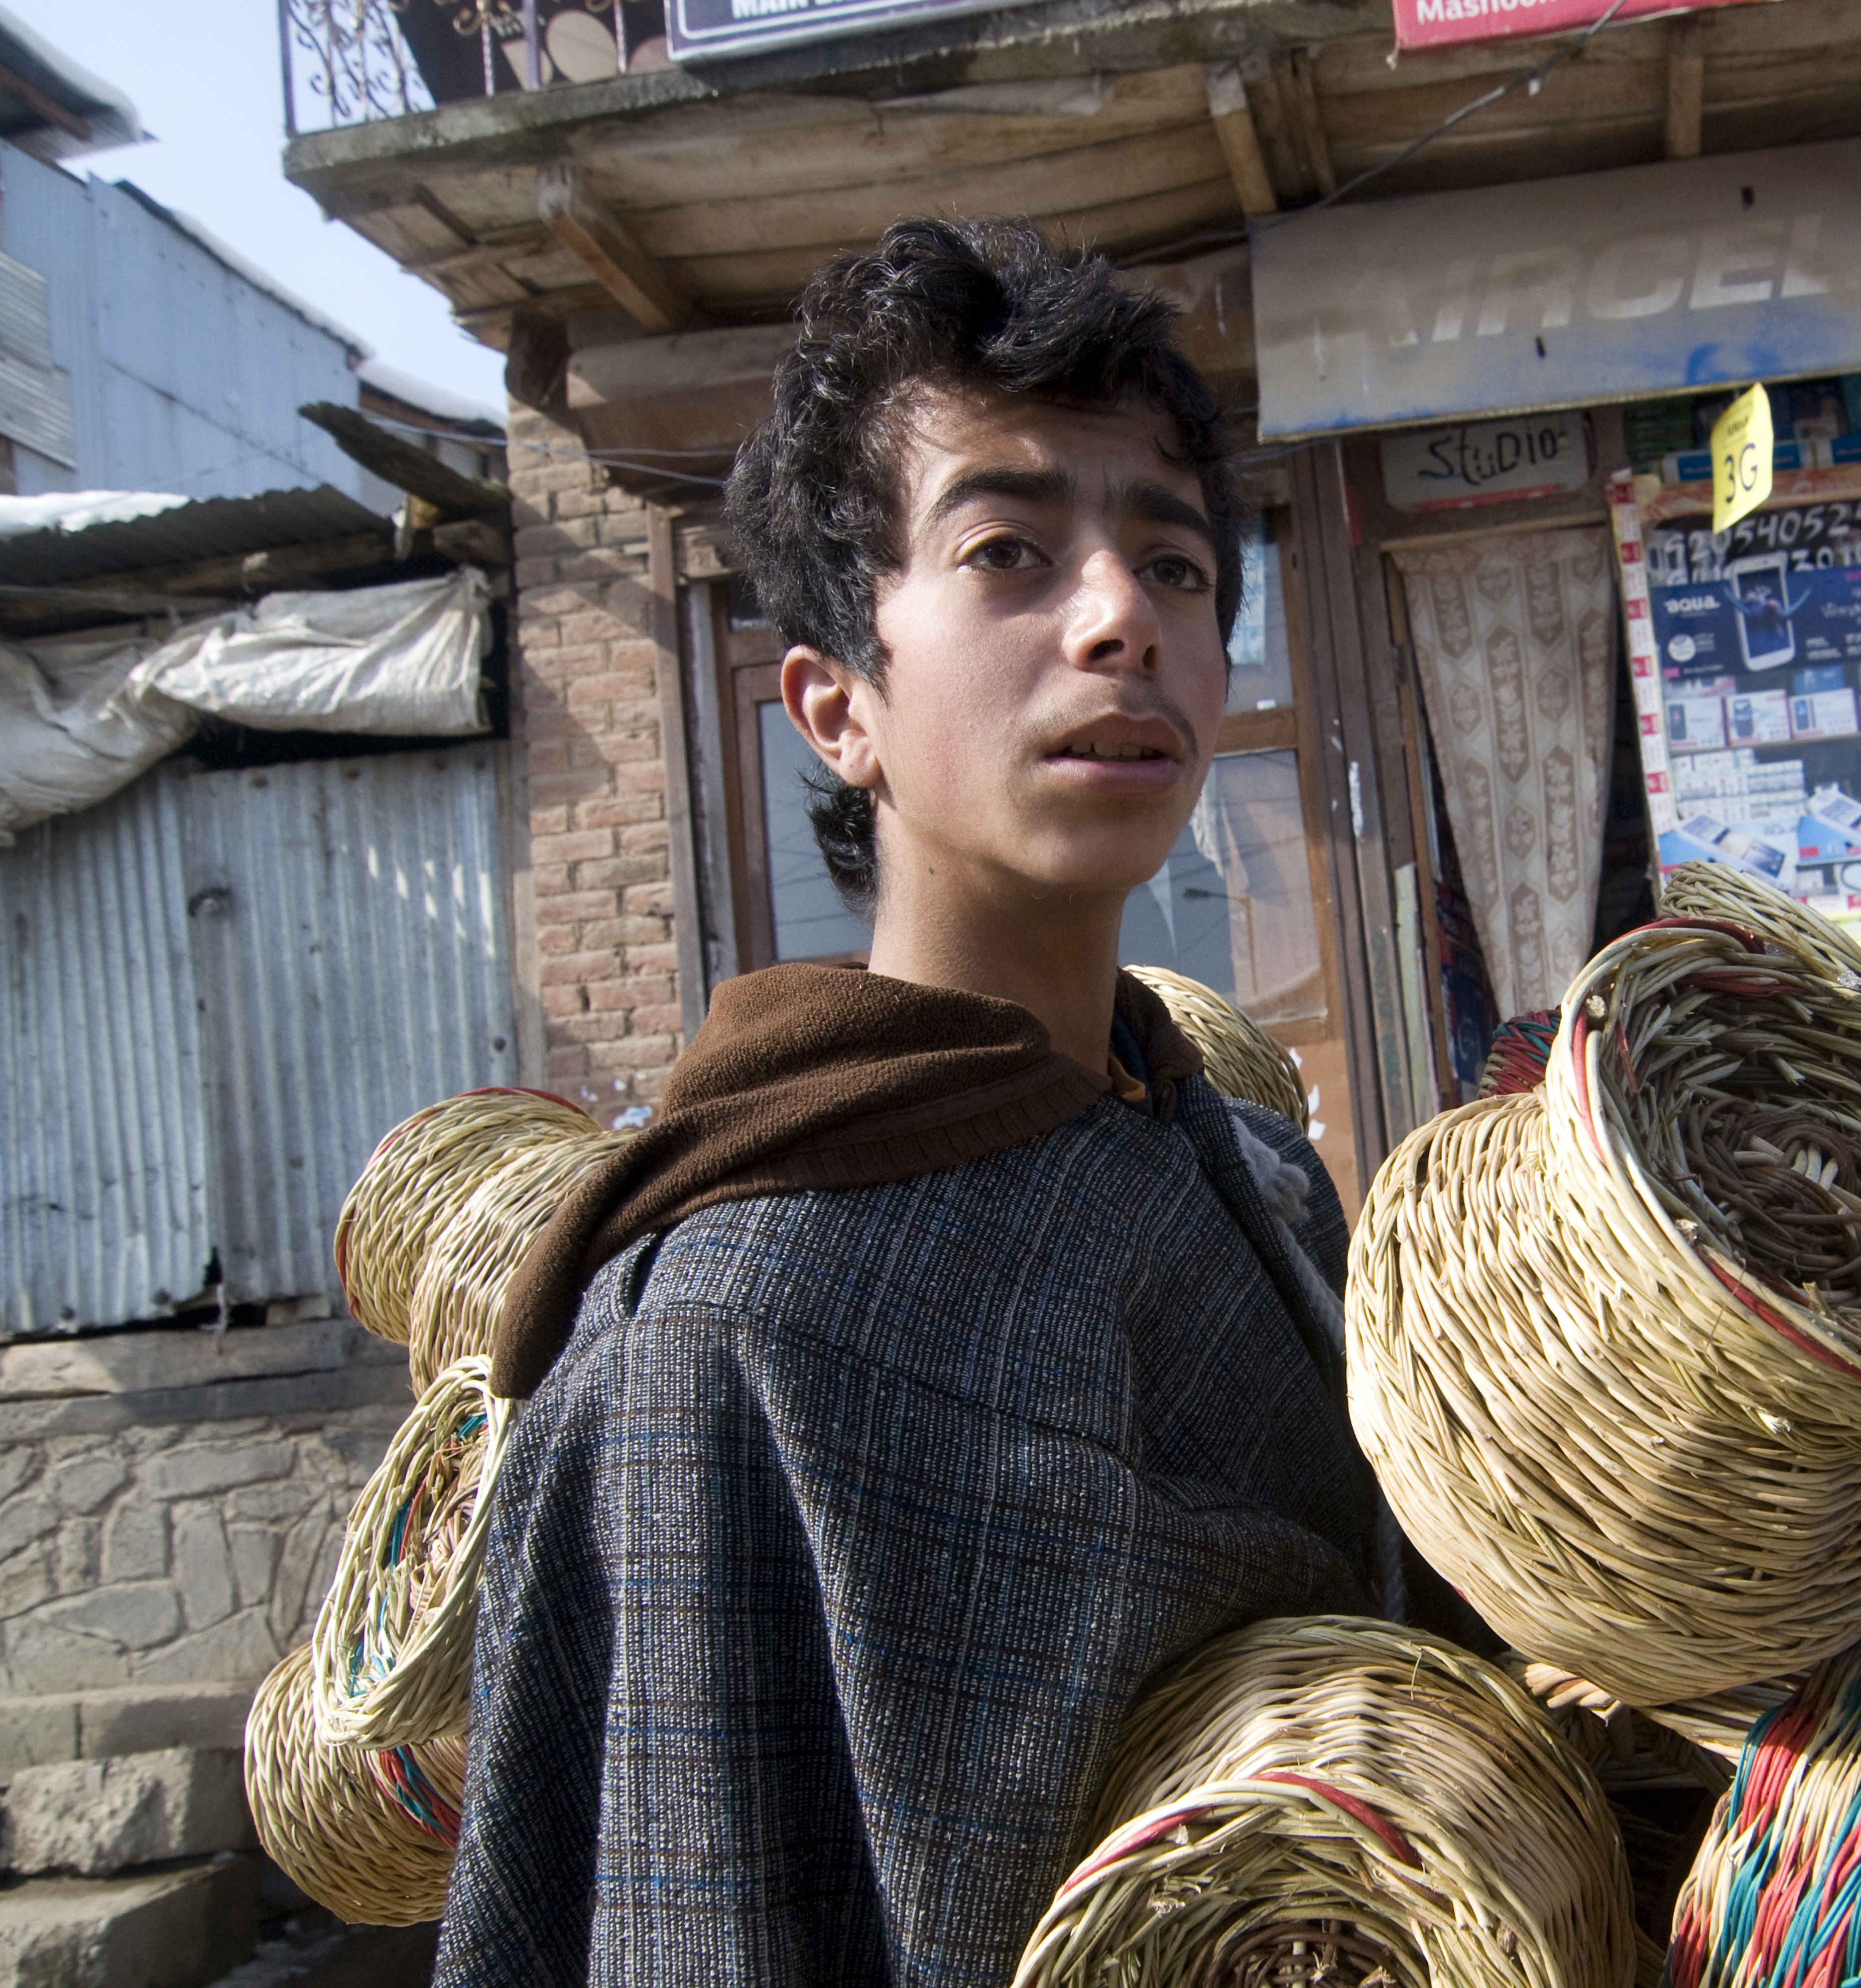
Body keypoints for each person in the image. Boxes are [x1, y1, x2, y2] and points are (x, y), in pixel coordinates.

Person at [435, 217, 1399, 1986]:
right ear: (836, 707)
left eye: (1177, 569)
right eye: (1010, 552)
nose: (1121, 619)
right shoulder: (723, 1342)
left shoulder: (1257, 1178)